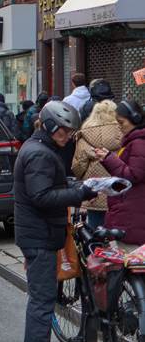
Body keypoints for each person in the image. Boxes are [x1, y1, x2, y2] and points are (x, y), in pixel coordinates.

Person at [14, 100, 97, 342]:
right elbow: (41, 196)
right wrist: (79, 194)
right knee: (42, 304)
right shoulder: (40, 153)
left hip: (39, 234)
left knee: (41, 301)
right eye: (64, 129)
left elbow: (49, 185)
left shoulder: (39, 148)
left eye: (71, 131)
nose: (68, 135)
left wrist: (79, 185)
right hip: (39, 236)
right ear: (49, 126)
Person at [89, 99, 145, 245]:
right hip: (130, 210)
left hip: (133, 214)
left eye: (121, 122)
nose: (119, 127)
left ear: (135, 119)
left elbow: (133, 175)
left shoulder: (139, 143)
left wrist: (109, 158)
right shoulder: (134, 141)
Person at [72, 99, 123, 229]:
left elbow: (78, 169)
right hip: (120, 192)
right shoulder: (123, 132)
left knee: (96, 235)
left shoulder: (85, 134)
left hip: (94, 193)